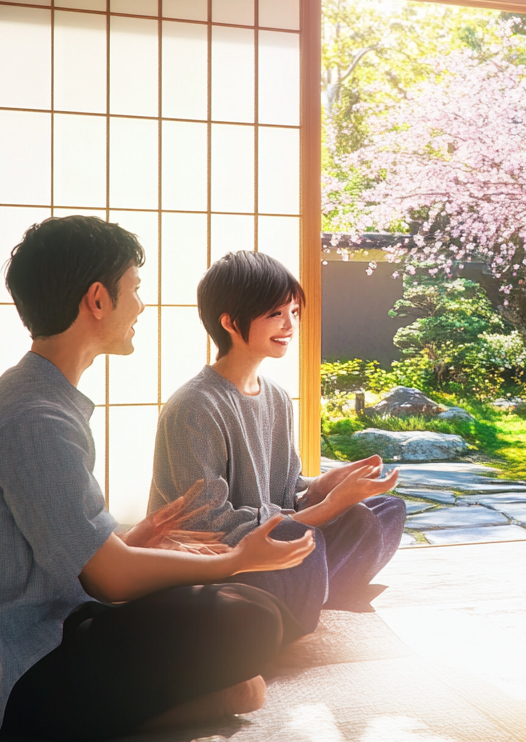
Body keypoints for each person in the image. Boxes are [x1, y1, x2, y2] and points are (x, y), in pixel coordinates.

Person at [0, 216, 315, 742]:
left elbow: (67, 555)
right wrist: (238, 559)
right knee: (251, 617)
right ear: (97, 300)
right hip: (11, 673)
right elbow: (109, 578)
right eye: (134, 288)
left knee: (244, 614)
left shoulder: (39, 397)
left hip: (51, 626)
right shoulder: (35, 417)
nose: (140, 305)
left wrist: (133, 542)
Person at [151, 251, 406, 634]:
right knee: (301, 538)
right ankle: (304, 598)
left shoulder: (277, 398)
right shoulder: (194, 406)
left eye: (293, 312)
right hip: (217, 564)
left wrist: (327, 486)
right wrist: (327, 509)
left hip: (271, 546)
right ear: (230, 322)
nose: (290, 325)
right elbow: (208, 524)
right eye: (276, 314)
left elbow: (290, 493)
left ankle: (305, 595)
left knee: (383, 510)